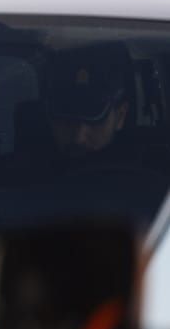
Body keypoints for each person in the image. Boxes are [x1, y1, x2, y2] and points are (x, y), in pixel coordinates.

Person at [41, 42, 169, 215]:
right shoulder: (19, 178)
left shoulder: (156, 189)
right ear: (50, 116)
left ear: (121, 116)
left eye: (95, 119)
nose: (79, 136)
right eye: (67, 118)